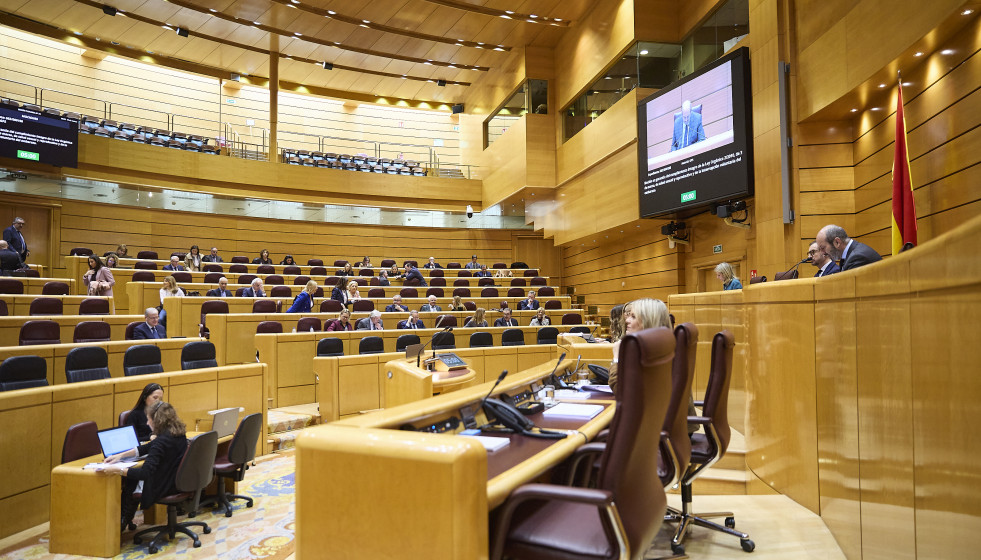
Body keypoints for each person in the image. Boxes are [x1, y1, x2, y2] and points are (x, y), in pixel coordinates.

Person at [102, 401, 188, 532]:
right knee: (132, 474)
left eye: (148, 420)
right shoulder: (178, 434)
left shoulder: (160, 442)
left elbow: (144, 473)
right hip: (176, 481)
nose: (147, 424)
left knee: (131, 479)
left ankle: (121, 523)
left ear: (157, 420)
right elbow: (146, 448)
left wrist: (116, 469)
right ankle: (125, 521)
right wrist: (120, 455)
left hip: (163, 487)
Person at [609, 298, 672, 392]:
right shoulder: (663, 347)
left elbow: (623, 391)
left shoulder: (652, 354)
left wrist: (617, 359)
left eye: (633, 317)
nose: (627, 321)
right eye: (628, 315)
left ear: (648, 322)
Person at [816, 224, 882, 271]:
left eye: (823, 248)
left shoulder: (857, 257)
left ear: (837, 242)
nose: (823, 253)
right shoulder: (849, 255)